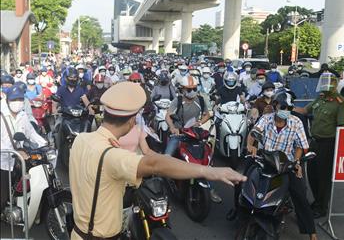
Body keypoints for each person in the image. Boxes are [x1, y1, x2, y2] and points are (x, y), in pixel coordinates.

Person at [69, 82, 246, 239]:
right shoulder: (111, 156)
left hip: (78, 232)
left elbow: (149, 155)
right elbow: (154, 164)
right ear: (132, 120)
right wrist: (211, 171)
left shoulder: (82, 139)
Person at [242, 92, 317, 240]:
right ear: (276, 105)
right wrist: (251, 145)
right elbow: (254, 132)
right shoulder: (266, 119)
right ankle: (238, 210)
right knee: (242, 180)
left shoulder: (296, 122)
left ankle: (311, 232)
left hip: (286, 163)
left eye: (289, 107)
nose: (286, 110)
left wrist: (296, 162)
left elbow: (300, 146)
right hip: (264, 158)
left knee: (300, 194)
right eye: (283, 107)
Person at [294, 72, 344, 218]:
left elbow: (342, 127)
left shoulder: (340, 103)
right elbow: (305, 110)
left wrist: (339, 150)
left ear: (334, 84)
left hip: (328, 143)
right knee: (312, 173)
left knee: (323, 177)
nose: (325, 85)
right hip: (314, 142)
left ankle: (321, 207)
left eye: (328, 82)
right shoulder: (320, 99)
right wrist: (286, 108)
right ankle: (317, 201)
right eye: (323, 81)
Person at [1, 85, 47, 211]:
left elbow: (31, 133)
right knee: (2, 198)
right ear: (7, 100)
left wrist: (45, 144)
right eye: (14, 100)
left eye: (20, 99)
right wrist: (15, 152)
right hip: (3, 163)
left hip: (19, 160)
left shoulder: (23, 115)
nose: (18, 103)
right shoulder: (2, 115)